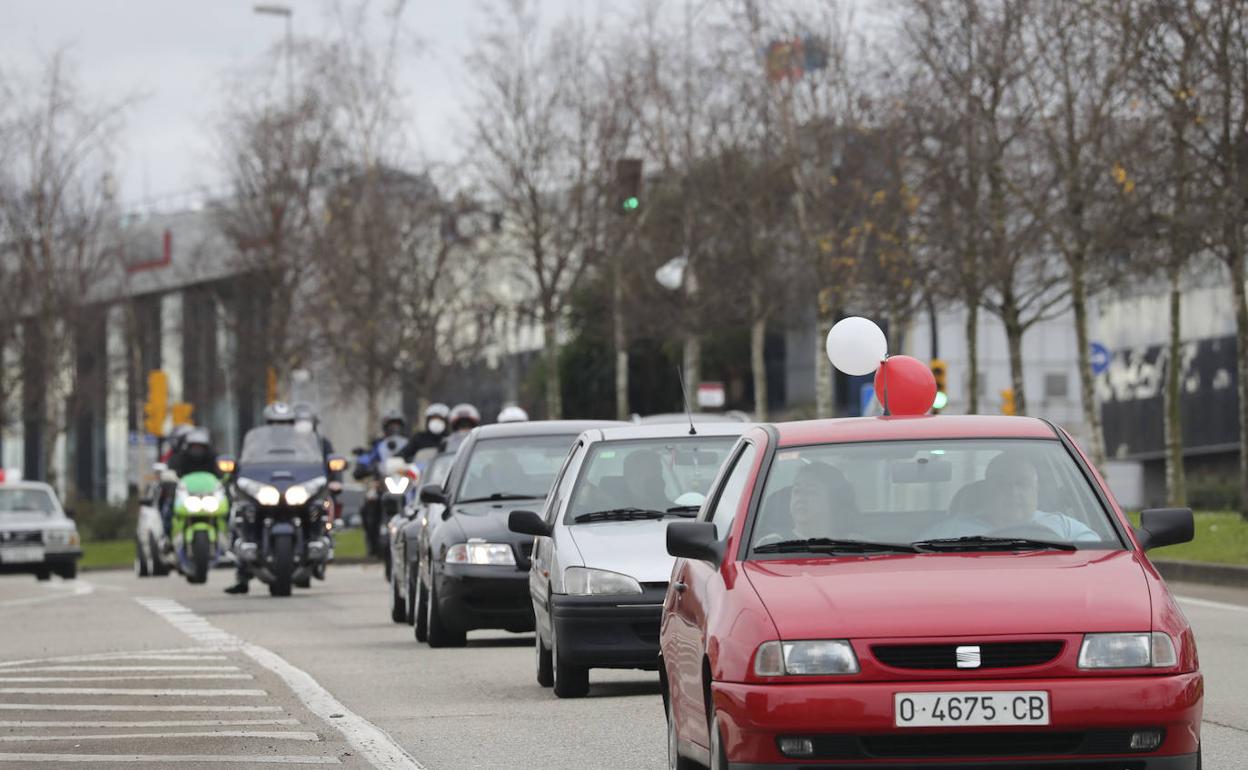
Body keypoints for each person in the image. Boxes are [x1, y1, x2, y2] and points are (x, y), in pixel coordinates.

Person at [923, 453, 1100, 543]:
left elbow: (1100, 562)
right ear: (987, 490)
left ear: (1036, 489)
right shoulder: (946, 535)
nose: (1014, 492)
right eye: (1003, 484)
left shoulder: (1067, 529)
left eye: (1022, 484)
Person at [755, 463, 858, 545]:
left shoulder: (857, 544)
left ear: (834, 500)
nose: (801, 498)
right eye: (797, 491)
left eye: (811, 491)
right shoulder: (770, 545)